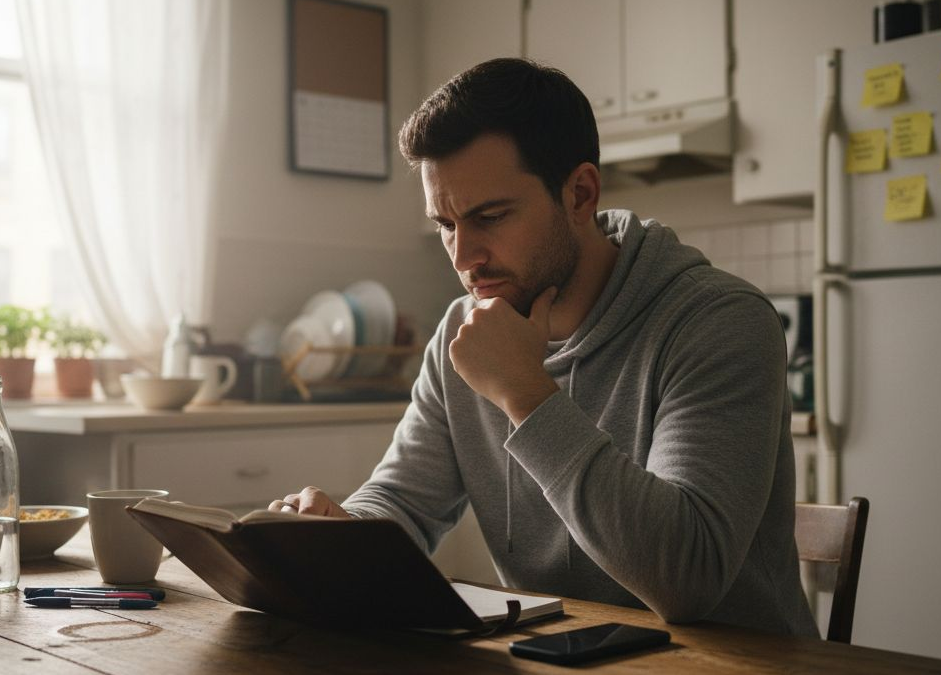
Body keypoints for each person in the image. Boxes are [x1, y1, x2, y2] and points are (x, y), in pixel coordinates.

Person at [269, 58, 818, 637]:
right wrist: (341, 531)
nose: (463, 258)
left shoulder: (716, 321)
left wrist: (525, 393)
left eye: (490, 216)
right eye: (447, 225)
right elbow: (403, 503)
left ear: (580, 194)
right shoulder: (465, 332)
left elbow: (688, 579)